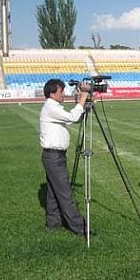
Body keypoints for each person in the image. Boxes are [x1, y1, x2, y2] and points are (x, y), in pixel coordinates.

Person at [39, 78, 90, 239]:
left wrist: (80, 102)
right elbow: (72, 118)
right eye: (61, 91)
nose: (64, 94)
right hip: (54, 157)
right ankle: (80, 228)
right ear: (52, 93)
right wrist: (83, 97)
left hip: (54, 156)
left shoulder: (53, 108)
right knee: (66, 194)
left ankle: (53, 223)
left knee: (54, 193)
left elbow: (71, 117)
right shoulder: (50, 107)